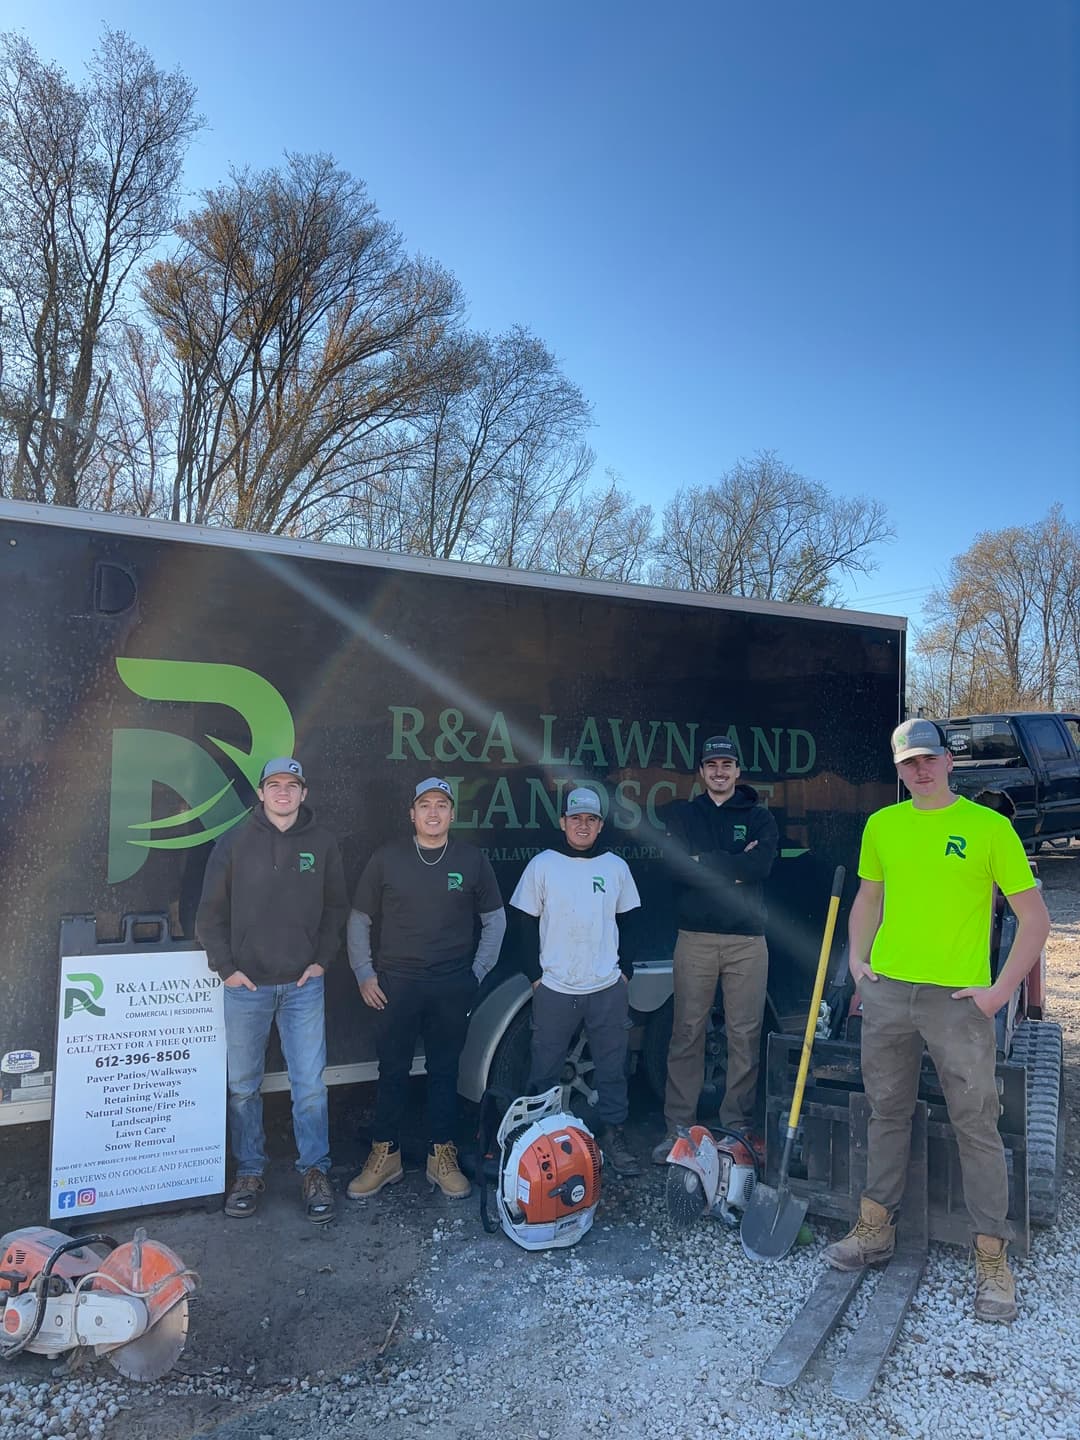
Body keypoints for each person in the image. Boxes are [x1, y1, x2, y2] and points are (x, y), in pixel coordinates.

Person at [822, 718, 1051, 1323]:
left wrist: (999, 993)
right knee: (886, 1108)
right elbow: (870, 897)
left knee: (976, 1123)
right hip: (890, 994)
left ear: (950, 762)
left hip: (957, 1002)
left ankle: (991, 1259)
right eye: (907, 762)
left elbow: (1035, 920)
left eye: (928, 759)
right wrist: (856, 958)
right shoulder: (883, 825)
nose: (919, 770)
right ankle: (875, 1229)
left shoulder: (987, 828)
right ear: (897, 770)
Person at [197, 756, 347, 1223]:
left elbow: (336, 909)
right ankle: (249, 1171)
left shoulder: (322, 844)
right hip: (247, 987)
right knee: (242, 1087)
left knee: (310, 1088)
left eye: (292, 785)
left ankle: (314, 1171)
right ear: (261, 794)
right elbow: (209, 913)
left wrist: (322, 961)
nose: (283, 792)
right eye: (274, 785)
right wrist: (225, 968)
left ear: (305, 793)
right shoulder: (234, 842)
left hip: (303, 986)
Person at [346, 778, 506, 1199]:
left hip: (452, 983)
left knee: (444, 1072)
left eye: (441, 805)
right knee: (392, 1071)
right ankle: (386, 1156)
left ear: (453, 814)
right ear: (411, 814)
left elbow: (495, 920)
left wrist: (477, 973)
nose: (433, 813)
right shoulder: (387, 858)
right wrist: (364, 972)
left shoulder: (472, 861)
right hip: (395, 983)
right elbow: (359, 918)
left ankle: (442, 1156)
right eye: (424, 805)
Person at [652, 734, 779, 1164]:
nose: (720, 772)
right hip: (695, 938)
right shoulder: (685, 815)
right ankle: (678, 1127)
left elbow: (761, 865)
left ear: (738, 771)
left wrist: (706, 862)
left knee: (744, 1035)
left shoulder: (760, 817)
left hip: (747, 941)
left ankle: (736, 1128)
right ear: (701, 773)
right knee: (687, 1032)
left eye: (727, 764)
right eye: (712, 765)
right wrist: (731, 864)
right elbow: (676, 866)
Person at [510, 786, 643, 1177]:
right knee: (544, 1069)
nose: (582, 826)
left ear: (600, 825)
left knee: (612, 1068)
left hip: (605, 987)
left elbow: (631, 920)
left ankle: (613, 1136)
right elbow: (523, 924)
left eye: (591, 819)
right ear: (563, 822)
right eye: (576, 819)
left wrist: (625, 972)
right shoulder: (543, 865)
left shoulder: (615, 867)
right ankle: (536, 1144)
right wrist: (536, 978)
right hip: (555, 989)